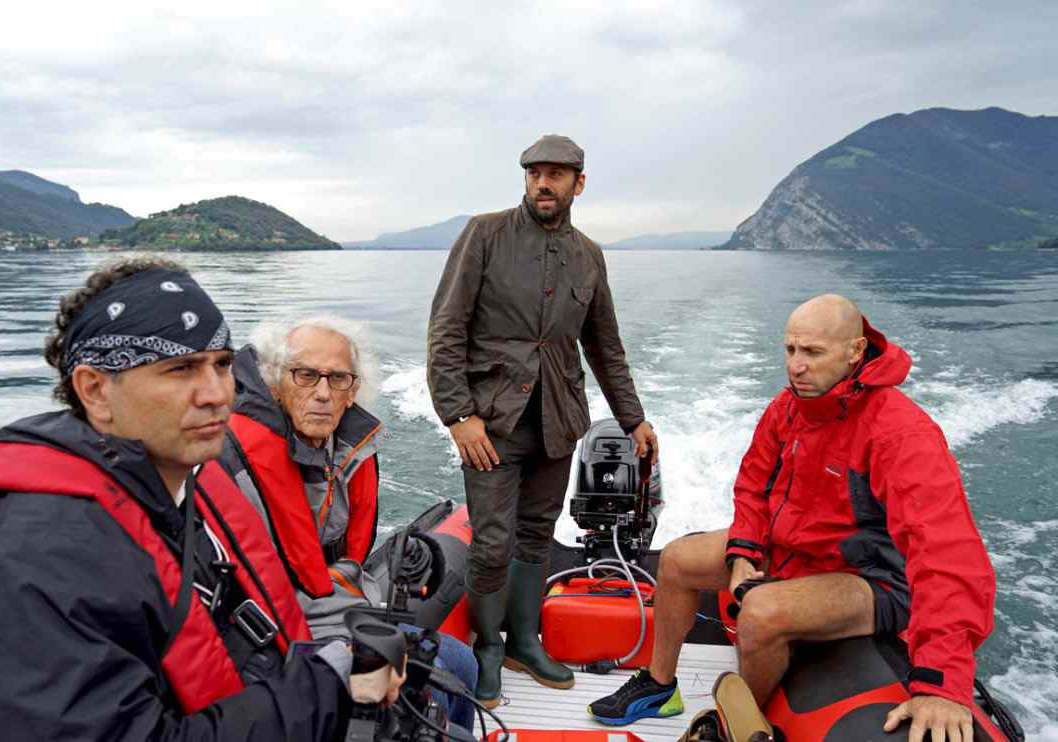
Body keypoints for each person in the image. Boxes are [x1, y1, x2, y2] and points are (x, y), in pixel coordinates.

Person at [0, 258, 382, 741]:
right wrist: (332, 684)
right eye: (180, 370)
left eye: (221, 365)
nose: (217, 394)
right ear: (95, 390)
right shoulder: (27, 564)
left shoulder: (169, 497)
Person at [589, 294, 995, 742]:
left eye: (813, 353)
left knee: (760, 612)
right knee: (678, 558)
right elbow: (753, 486)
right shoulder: (789, 408)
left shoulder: (901, 433)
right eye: (790, 350)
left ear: (855, 352)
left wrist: (941, 683)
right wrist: (744, 549)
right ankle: (659, 686)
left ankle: (739, 724)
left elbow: (945, 553)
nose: (796, 366)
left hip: (870, 578)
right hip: (794, 549)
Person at [427, 133, 659, 708]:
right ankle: (487, 646)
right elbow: (445, 331)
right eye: (534, 174)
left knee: (536, 534)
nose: (543, 184)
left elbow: (605, 347)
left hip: (558, 419)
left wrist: (633, 420)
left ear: (578, 183)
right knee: (491, 540)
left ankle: (524, 642)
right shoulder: (484, 234)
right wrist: (459, 415)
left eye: (556, 175)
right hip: (491, 421)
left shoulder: (589, 255)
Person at [218, 316, 478, 730]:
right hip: (277, 635)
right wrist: (347, 648)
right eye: (306, 375)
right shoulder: (229, 465)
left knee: (464, 663)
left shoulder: (345, 452)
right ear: (276, 380)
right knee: (436, 700)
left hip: (338, 607)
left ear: (353, 390)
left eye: (338, 379)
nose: (322, 393)